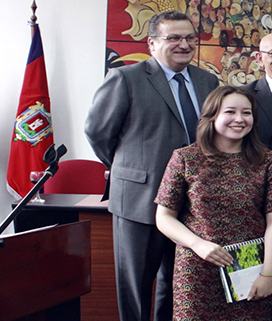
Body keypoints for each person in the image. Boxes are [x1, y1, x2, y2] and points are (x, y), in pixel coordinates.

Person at [85, 11, 219, 321]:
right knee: (136, 286)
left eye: (189, 38)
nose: (183, 44)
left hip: (192, 204)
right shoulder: (125, 78)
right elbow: (98, 132)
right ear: (152, 43)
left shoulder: (207, 80)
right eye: (173, 38)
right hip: (139, 200)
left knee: (178, 284)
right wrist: (129, 169)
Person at [154, 86, 272, 320]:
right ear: (212, 116)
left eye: (246, 113)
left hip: (250, 269)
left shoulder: (267, 161)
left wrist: (268, 274)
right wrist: (198, 244)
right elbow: (163, 217)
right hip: (196, 270)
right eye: (230, 112)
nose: (239, 119)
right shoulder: (185, 158)